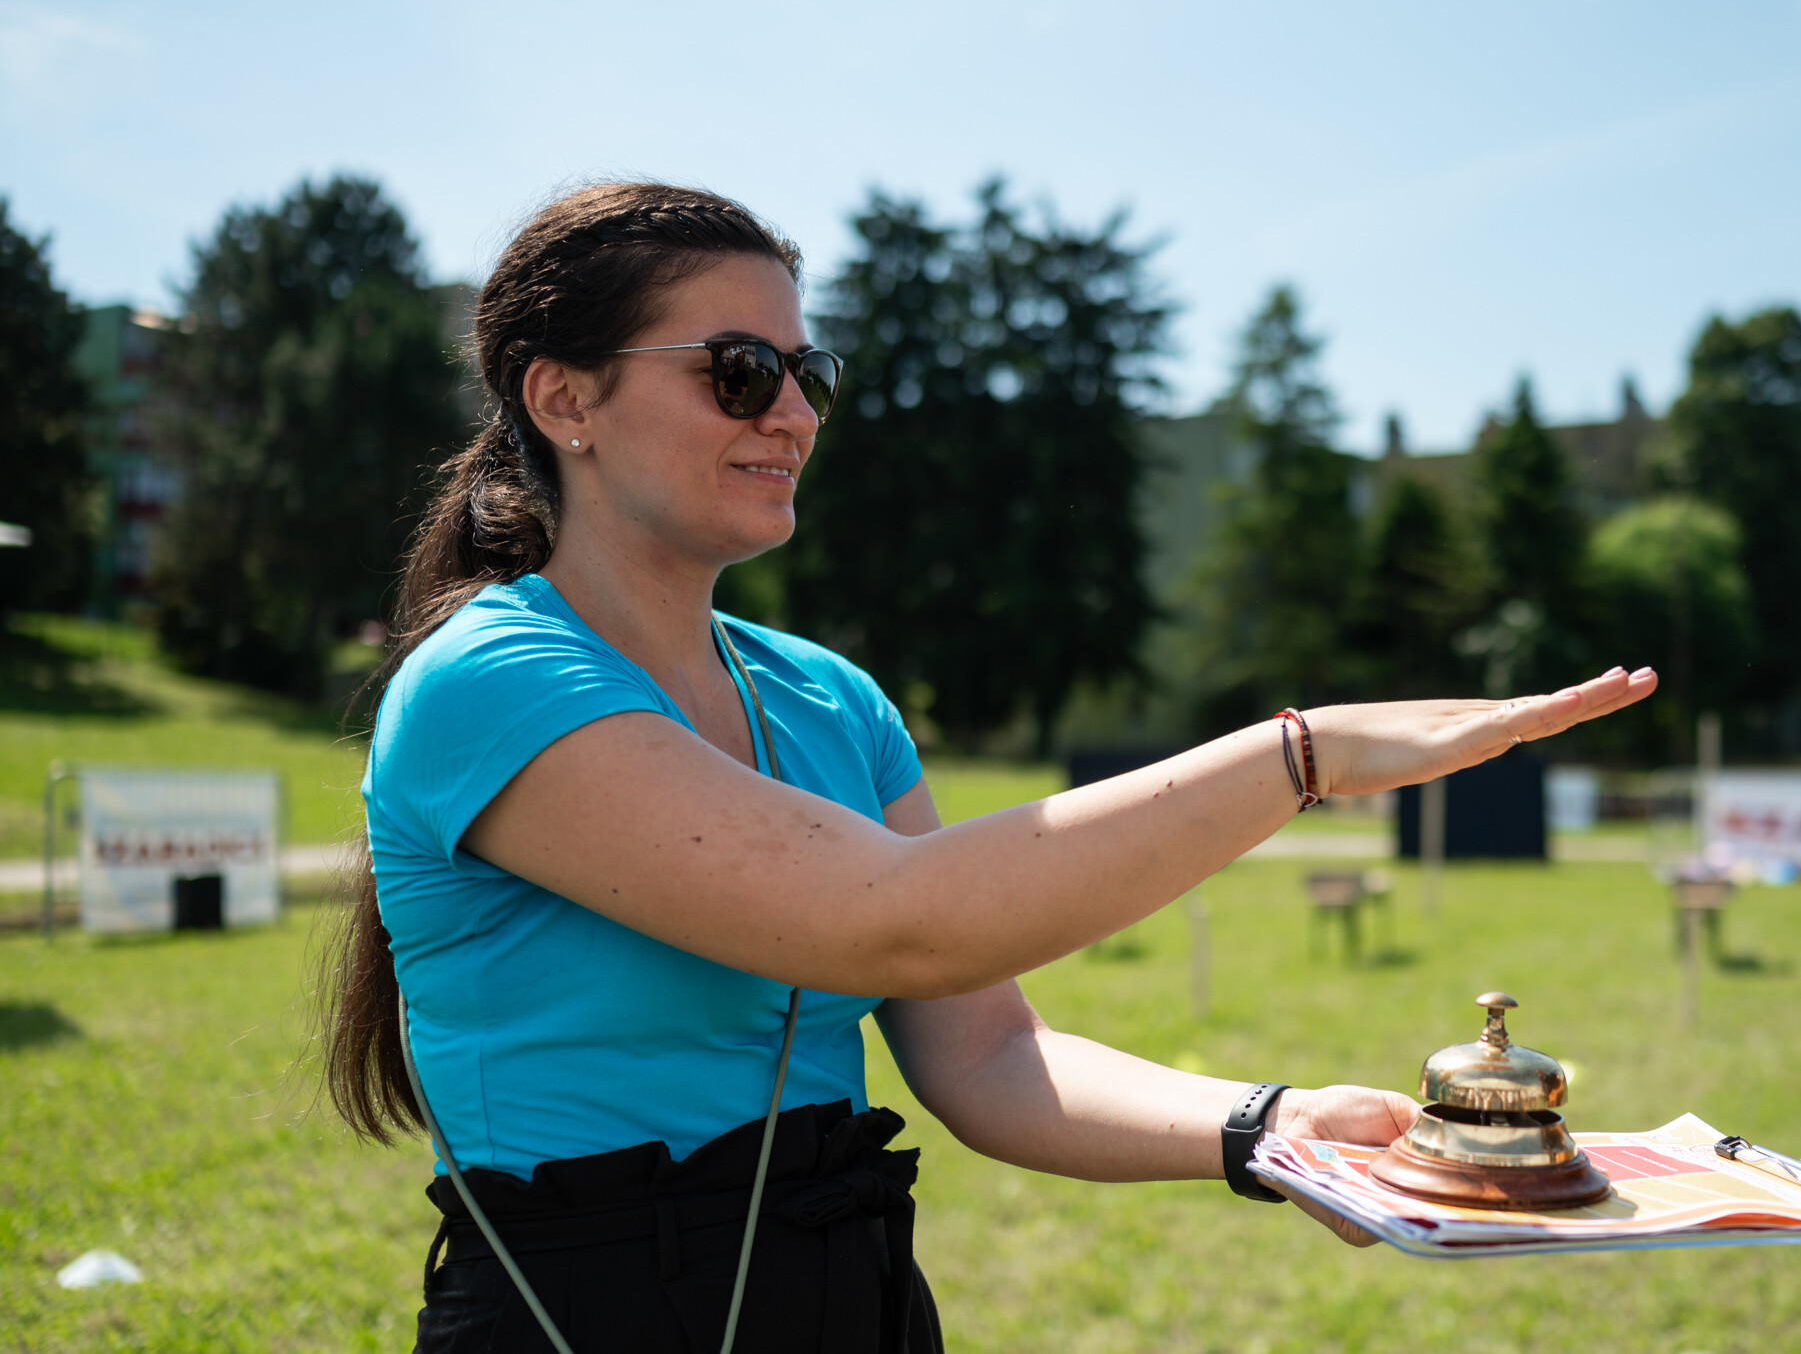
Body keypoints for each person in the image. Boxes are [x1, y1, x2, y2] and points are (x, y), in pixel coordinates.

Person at [320, 182, 1656, 1354]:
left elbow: (991, 1055)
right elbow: (902, 922)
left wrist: (1270, 1127)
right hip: (582, 1315)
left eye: (808, 372)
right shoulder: (488, 680)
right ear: (564, 398)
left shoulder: (833, 700)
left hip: (848, 1293)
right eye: (738, 370)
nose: (793, 413)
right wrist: (1304, 756)